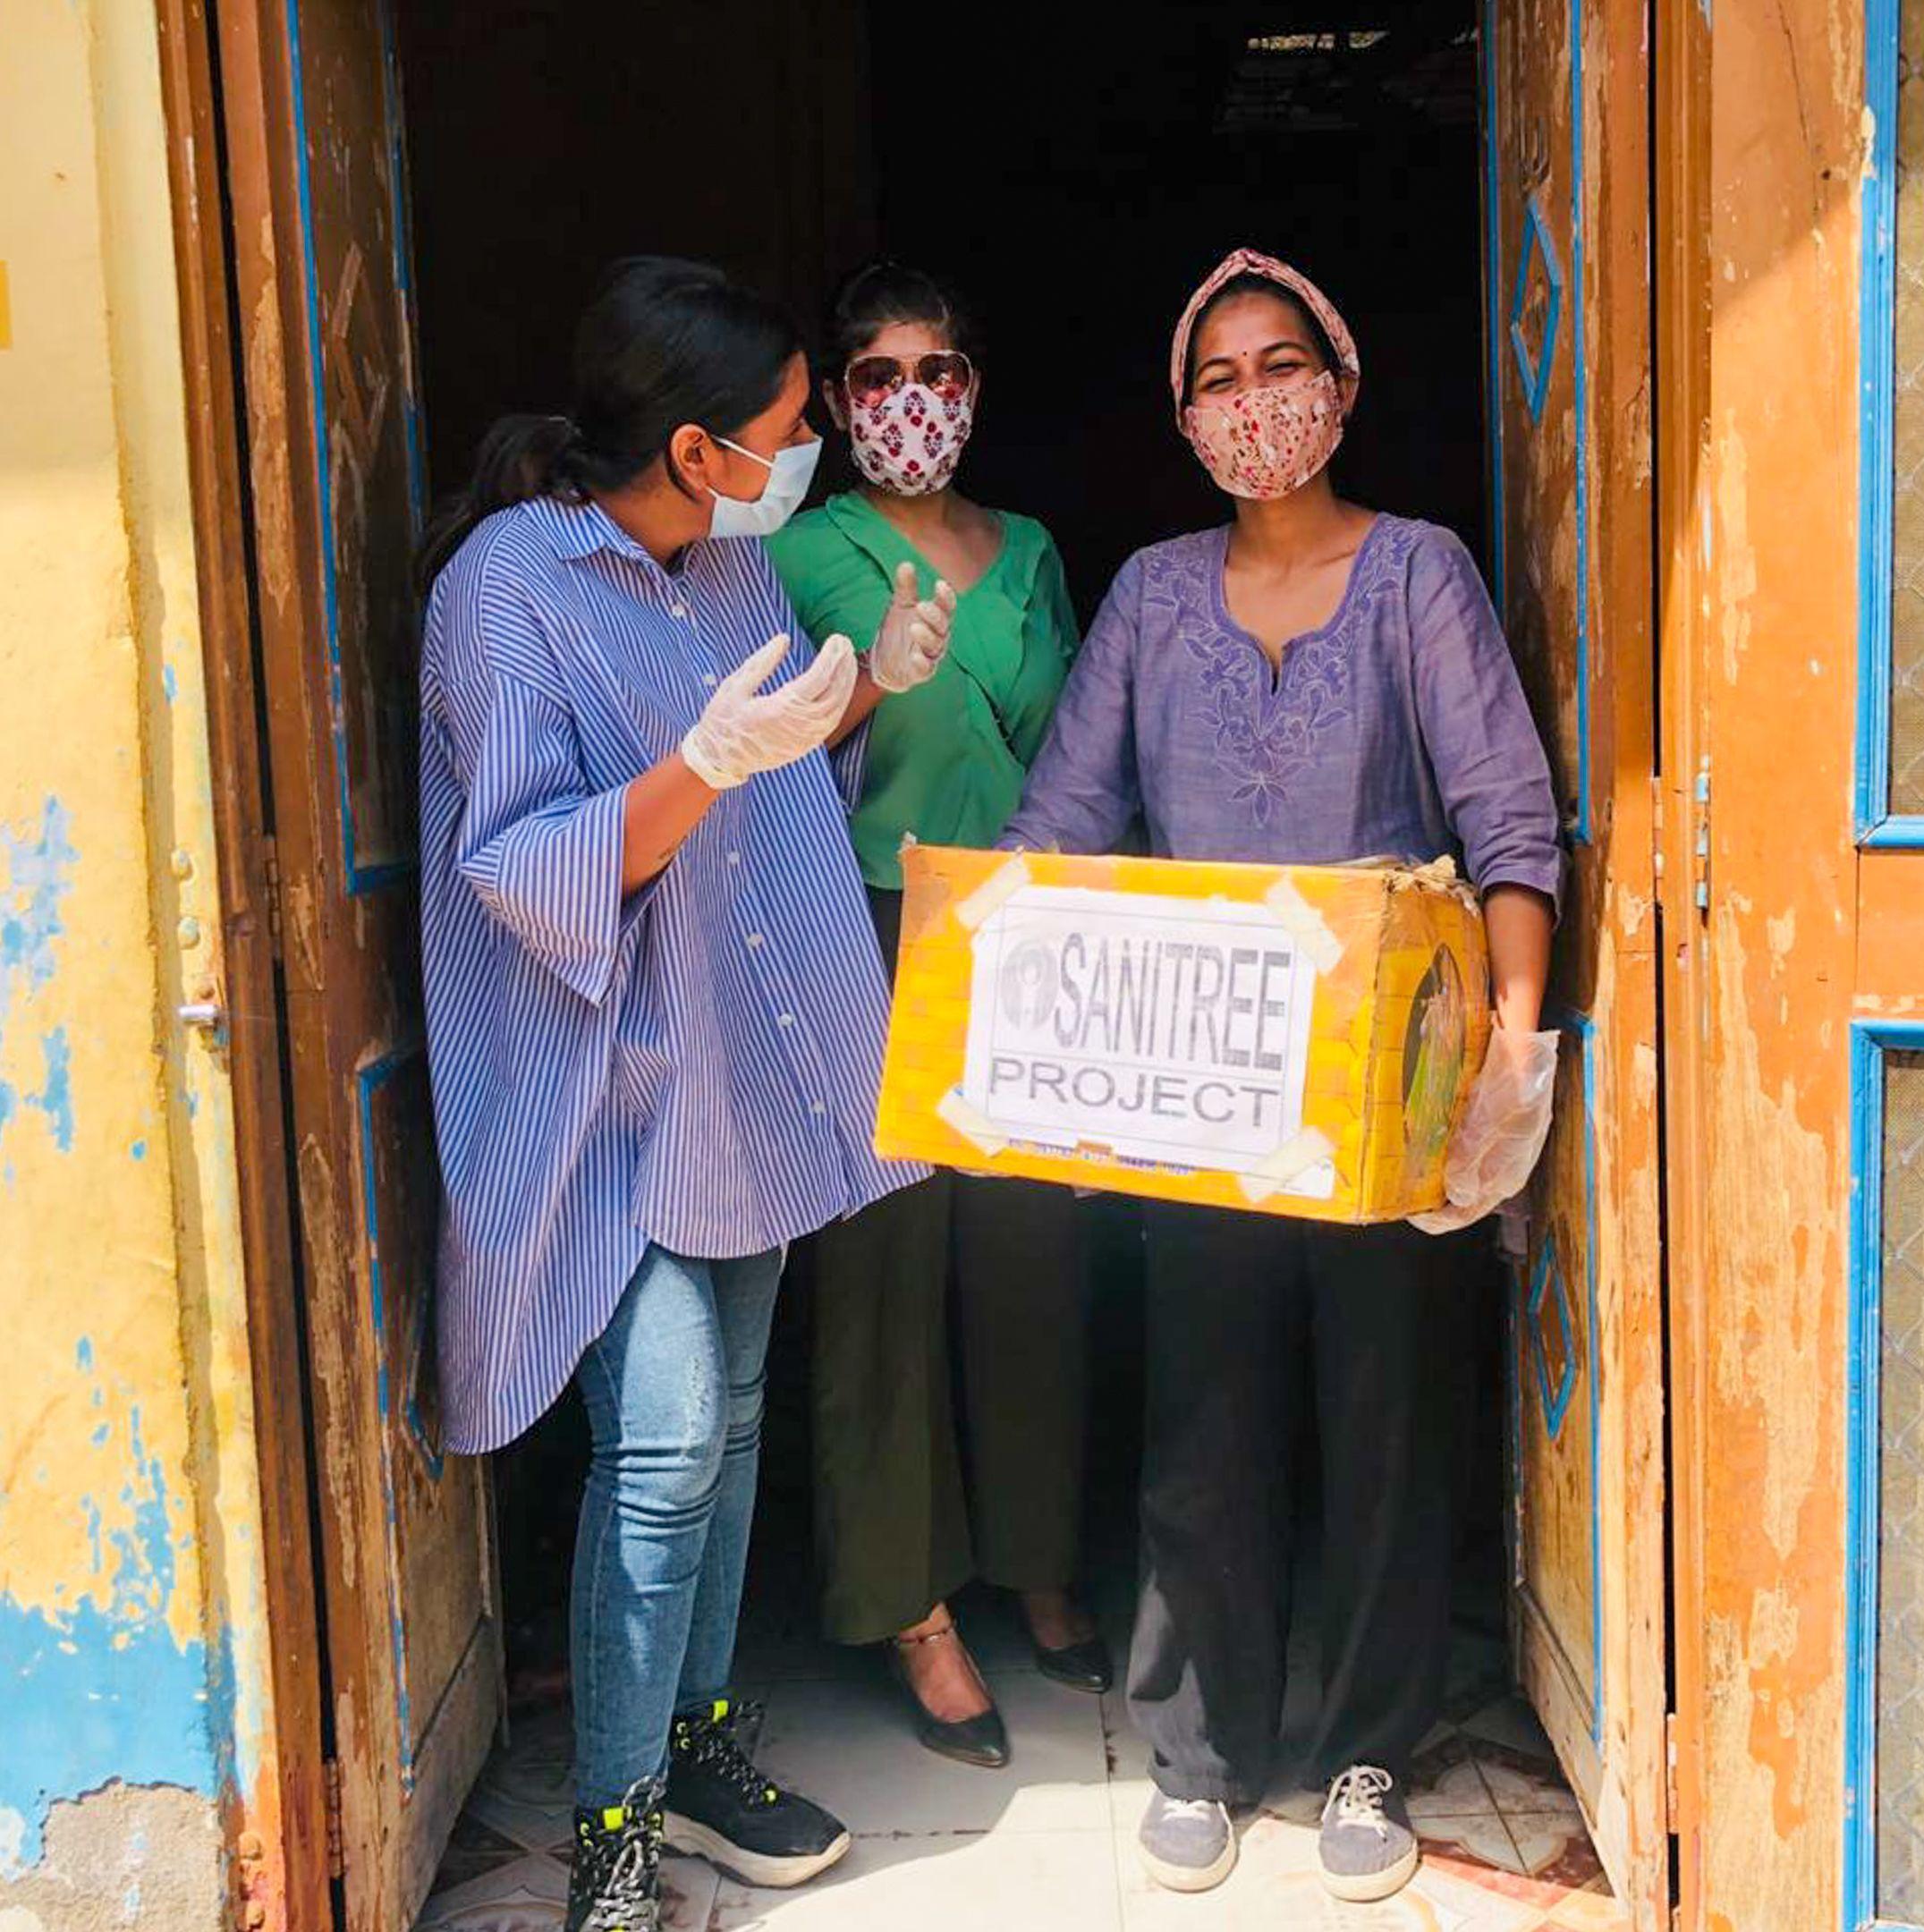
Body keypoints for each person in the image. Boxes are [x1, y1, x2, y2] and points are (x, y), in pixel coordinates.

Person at [1001, 246, 1563, 1902]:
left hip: (1391, 1089)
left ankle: (1371, 1748)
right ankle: (1201, 1745)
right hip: (1204, 1093)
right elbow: (1061, 823)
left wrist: (1516, 1046)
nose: (1255, 404)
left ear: (1342, 384)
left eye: (1280, 366)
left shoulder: (1419, 578)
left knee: (1386, 1415)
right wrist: (1008, 1018)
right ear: (1182, 418)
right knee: (1207, 1413)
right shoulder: (1153, 596)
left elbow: (1508, 819)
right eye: (1218, 379)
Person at [416, 256, 956, 1932]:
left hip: (748, 1056)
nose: (813, 452)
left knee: (727, 1424)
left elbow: (785, 741)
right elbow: (521, 866)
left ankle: (699, 1741)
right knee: (655, 1449)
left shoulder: (724, 576)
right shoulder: (509, 590)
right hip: (604, 1075)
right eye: (794, 426)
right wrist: (697, 767)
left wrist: (867, 687)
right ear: (701, 446)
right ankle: (615, 1836)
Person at [765, 263, 1106, 1771]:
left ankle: (1038, 1556)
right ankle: (910, 1604)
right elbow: (746, 750)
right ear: (840, 403)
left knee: (1032, 1250)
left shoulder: (1028, 551)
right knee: (884, 1272)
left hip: (1025, 930)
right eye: (884, 374)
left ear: (976, 388)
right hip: (866, 930)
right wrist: (858, 693)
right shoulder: (798, 546)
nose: (917, 400)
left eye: (944, 370)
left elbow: (1091, 743)